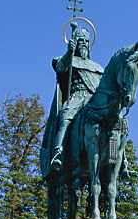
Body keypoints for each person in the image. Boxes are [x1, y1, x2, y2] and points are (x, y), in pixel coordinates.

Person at [42, 22, 104, 172]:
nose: (83, 44)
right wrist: (68, 53)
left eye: (86, 41)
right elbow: (60, 68)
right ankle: (58, 152)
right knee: (65, 118)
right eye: (80, 41)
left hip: (93, 100)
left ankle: (122, 160)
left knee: (116, 121)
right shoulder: (67, 60)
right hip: (77, 97)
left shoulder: (98, 67)